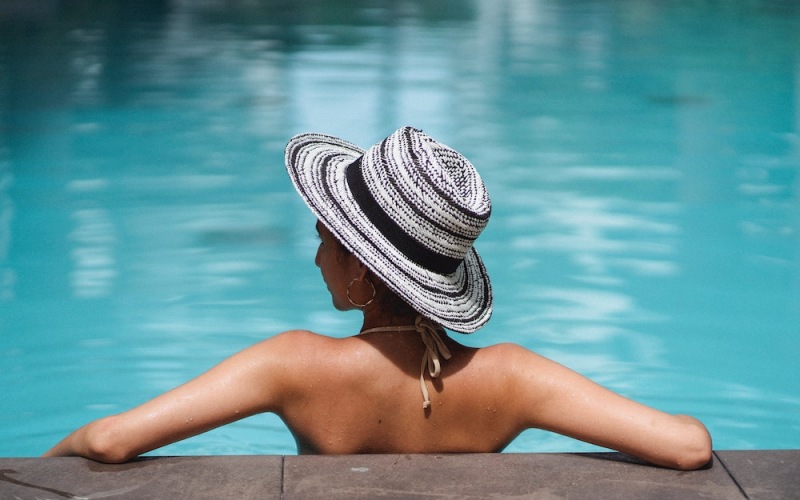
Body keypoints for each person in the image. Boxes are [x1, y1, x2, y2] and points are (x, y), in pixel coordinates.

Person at [44, 126, 712, 470]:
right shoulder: (512, 379)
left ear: (364, 271)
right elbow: (687, 446)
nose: (315, 256)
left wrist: (46, 461)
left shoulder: (293, 366)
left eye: (325, 239)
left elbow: (108, 441)